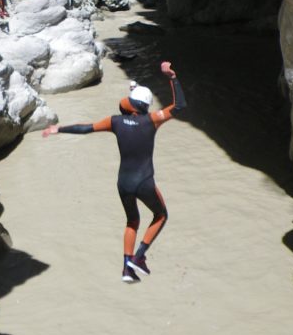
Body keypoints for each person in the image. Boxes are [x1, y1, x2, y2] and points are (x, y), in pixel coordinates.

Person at [43, 61, 186, 282]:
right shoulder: (152, 120)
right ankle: (139, 257)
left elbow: (86, 128)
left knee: (132, 221)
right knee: (161, 215)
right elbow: (179, 107)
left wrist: (58, 129)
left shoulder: (115, 122)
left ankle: (126, 269)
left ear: (130, 103)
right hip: (144, 182)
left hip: (123, 184)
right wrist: (172, 77)